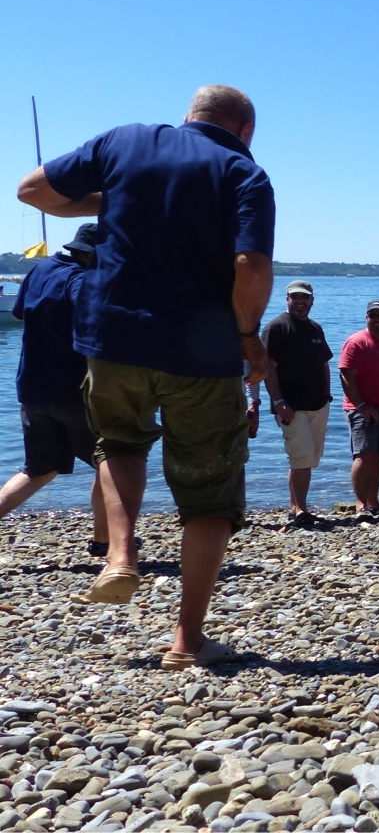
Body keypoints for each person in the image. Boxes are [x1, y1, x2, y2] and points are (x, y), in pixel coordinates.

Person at [17, 84, 275, 670]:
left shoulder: (124, 141)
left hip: (113, 342)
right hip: (202, 356)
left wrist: (113, 200)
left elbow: (31, 190)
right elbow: (251, 264)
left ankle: (120, 553)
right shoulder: (244, 174)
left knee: (118, 441)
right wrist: (247, 336)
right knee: (208, 492)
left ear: (188, 116)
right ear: (244, 130)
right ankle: (187, 640)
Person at [0, 224, 111, 554]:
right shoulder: (82, 279)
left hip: (32, 389)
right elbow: (95, 319)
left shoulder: (41, 269)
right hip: (73, 391)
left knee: (38, 471)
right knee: (112, 462)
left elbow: (18, 315)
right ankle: (105, 542)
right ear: (94, 255)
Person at [261, 279, 333, 527]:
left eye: (305, 298)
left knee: (308, 458)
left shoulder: (315, 328)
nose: (300, 302)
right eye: (295, 297)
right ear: (287, 299)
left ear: (312, 300)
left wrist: (328, 397)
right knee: (300, 457)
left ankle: (295, 507)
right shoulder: (276, 328)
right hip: (290, 405)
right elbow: (268, 368)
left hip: (318, 404)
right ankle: (301, 510)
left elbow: (325, 363)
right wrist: (278, 401)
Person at [339, 300, 379, 516]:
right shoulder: (356, 342)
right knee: (363, 456)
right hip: (362, 410)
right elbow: (346, 375)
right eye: (373, 315)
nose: (377, 319)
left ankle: (373, 502)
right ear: (367, 317)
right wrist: (360, 405)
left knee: (378, 456)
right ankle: (360, 505)